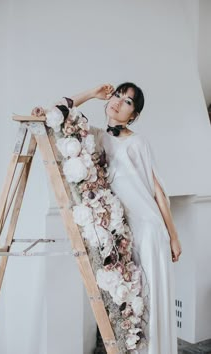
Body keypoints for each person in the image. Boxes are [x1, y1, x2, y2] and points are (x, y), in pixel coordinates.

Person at [55, 82, 182, 354]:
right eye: (117, 95)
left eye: (128, 101)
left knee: (151, 302)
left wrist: (173, 235)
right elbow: (59, 113)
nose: (118, 101)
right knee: (134, 306)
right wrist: (91, 94)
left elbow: (158, 190)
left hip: (149, 231)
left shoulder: (138, 142)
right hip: (124, 234)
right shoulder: (96, 136)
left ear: (133, 115)